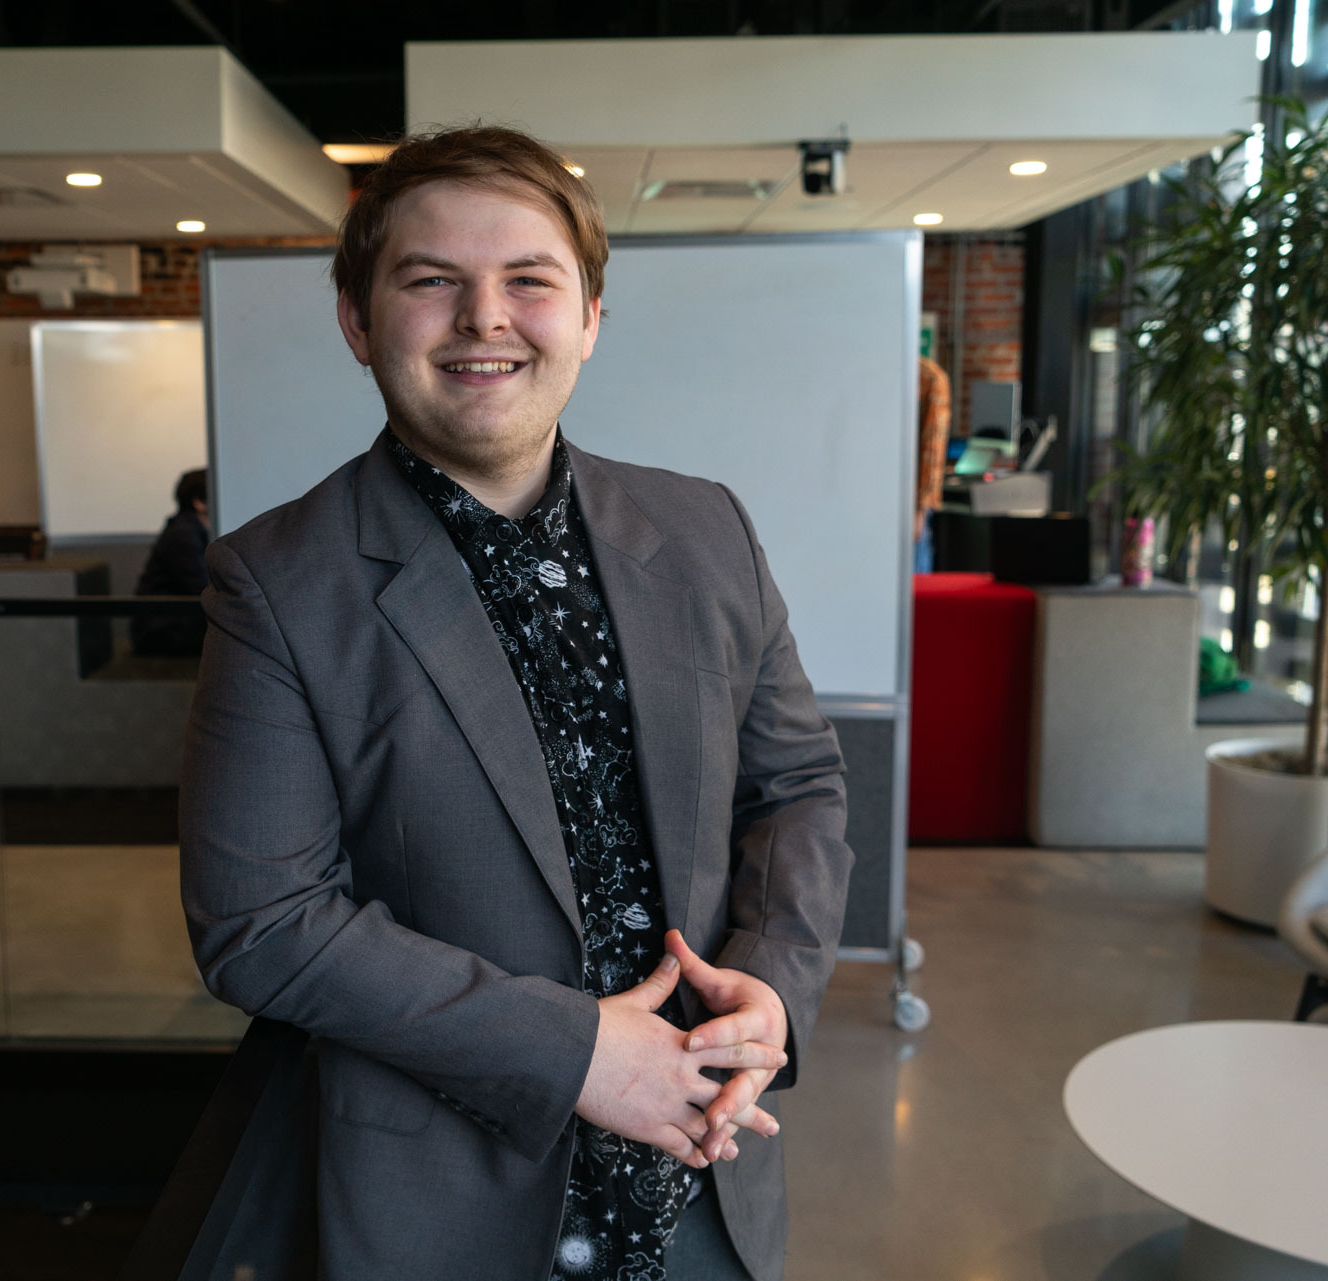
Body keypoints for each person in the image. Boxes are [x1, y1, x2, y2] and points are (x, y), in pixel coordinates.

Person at [179, 125, 852, 1281]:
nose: (484, 317)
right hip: (441, 1206)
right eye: (430, 281)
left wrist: (774, 988)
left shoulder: (707, 531)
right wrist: (576, 1052)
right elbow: (262, 922)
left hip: (707, 1179)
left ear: (589, 318)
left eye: (529, 280)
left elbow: (797, 787)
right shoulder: (278, 584)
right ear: (358, 323)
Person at [132, 467, 210, 656]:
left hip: (173, 622)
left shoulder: (188, 529)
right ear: (199, 502)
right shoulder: (183, 534)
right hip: (162, 630)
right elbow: (202, 587)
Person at [914, 355, 951, 574]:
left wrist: (920, 508)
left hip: (910, 502)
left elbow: (932, 449)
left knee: (913, 581)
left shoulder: (929, 378)